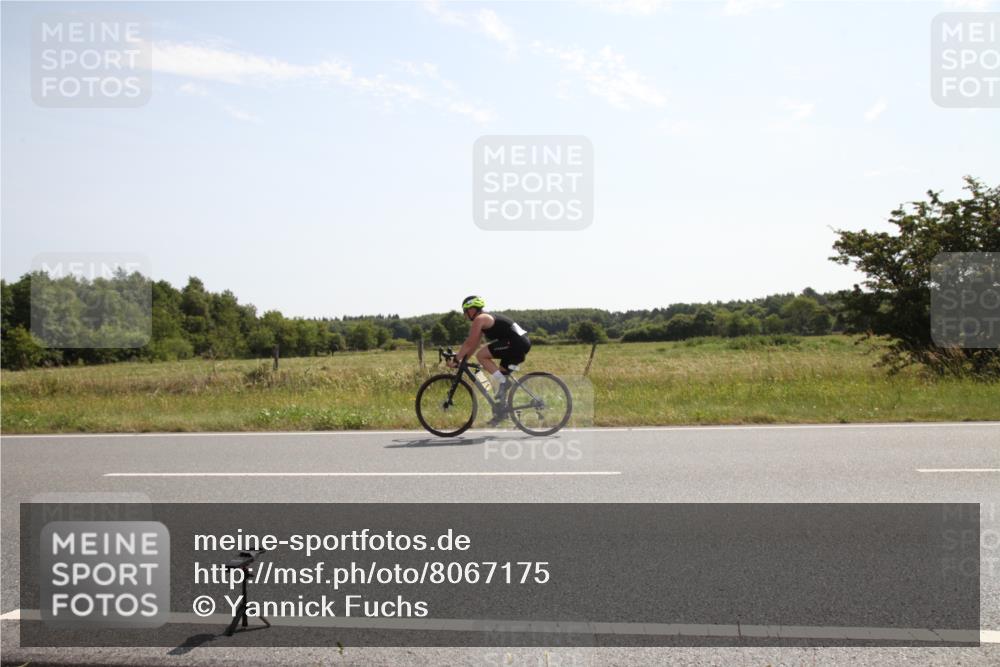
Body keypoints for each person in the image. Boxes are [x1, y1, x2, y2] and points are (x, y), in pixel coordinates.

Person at [449, 296, 531, 420]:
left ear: (473, 309)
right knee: (501, 377)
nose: (465, 315)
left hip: (515, 344)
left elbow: (469, 342)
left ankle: (504, 382)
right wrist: (463, 359)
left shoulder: (480, 318)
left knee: (481, 356)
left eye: (466, 311)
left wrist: (456, 359)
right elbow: (475, 343)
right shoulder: (484, 319)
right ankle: (502, 414)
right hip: (519, 344)